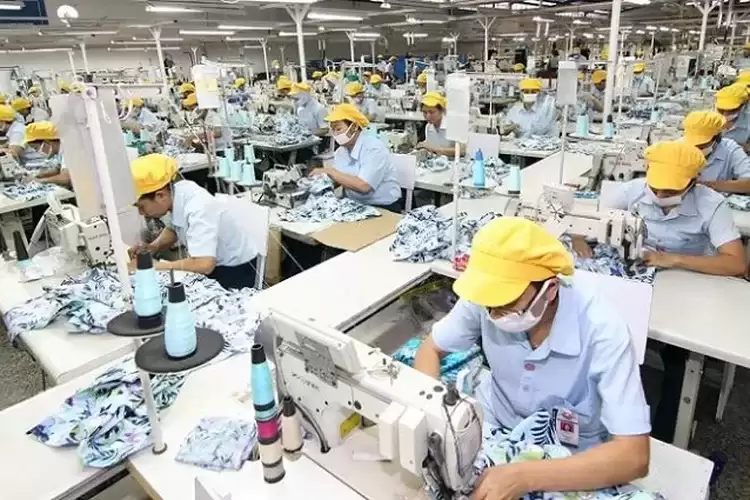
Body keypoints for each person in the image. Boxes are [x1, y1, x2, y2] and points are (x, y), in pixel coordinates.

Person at [414, 217, 651, 498]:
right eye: (490, 305)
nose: (494, 314)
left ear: (550, 290)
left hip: (569, 457)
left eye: (507, 303)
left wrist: (523, 477)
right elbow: (431, 349)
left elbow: (634, 456)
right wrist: (438, 422)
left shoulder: (603, 330)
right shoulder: (487, 298)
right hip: (492, 425)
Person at [570, 140, 744, 276]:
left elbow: (737, 264)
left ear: (693, 182)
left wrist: (672, 259)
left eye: (670, 191)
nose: (659, 195)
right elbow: (589, 218)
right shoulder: (633, 190)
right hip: (641, 270)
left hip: (687, 276)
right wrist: (578, 237)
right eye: (654, 188)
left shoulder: (712, 205)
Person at [129, 153, 260, 289]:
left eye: (141, 207)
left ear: (161, 195)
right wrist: (153, 247)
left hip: (234, 270)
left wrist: (154, 267)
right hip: (214, 263)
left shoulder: (198, 208)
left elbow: (204, 264)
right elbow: (174, 227)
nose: (141, 213)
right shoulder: (177, 191)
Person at [309, 103, 401, 212]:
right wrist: (320, 183)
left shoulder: (373, 149)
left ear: (354, 127)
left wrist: (330, 171)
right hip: (354, 204)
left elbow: (364, 186)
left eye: (338, 129)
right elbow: (340, 179)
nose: (335, 134)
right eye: (332, 130)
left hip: (382, 207)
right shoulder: (341, 152)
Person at [682, 110, 750, 194]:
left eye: (703, 145)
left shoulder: (730, 149)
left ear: (717, 138)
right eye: (694, 144)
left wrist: (707, 186)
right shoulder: (677, 149)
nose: (698, 148)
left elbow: (748, 183)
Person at [25, 121, 70, 187]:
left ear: (47, 142)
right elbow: (57, 169)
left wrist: (40, 181)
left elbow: (66, 178)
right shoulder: (59, 150)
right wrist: (38, 175)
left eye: (36, 148)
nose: (37, 151)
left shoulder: (67, 150)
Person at [417, 92, 464, 156]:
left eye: (432, 112)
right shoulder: (429, 127)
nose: (427, 116)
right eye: (424, 112)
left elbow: (462, 151)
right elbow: (430, 146)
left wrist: (434, 149)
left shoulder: (453, 125)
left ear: (442, 111)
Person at [716, 83, 750, 150]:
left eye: (732, 110)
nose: (725, 113)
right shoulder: (707, 118)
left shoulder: (747, 122)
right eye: (721, 110)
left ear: (743, 106)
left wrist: (745, 148)